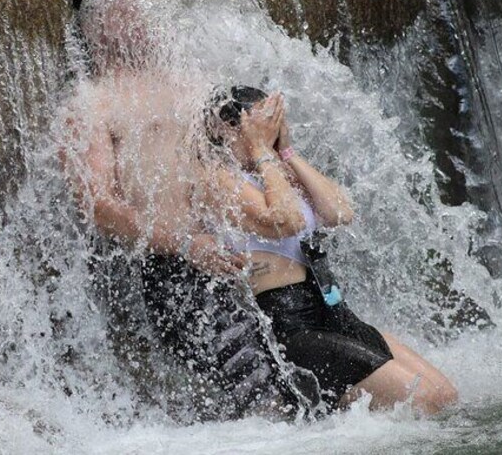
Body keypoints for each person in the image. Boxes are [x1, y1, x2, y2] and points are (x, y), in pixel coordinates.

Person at [59, 0, 321, 420]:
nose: (144, 14)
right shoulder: (91, 103)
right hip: (178, 269)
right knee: (266, 404)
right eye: (126, 8)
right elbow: (97, 204)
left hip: (253, 259)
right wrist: (185, 243)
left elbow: (243, 147)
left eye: (142, 4)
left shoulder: (191, 80)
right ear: (95, 27)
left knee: (308, 394)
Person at [194, 84, 458, 413]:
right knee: (421, 401)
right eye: (264, 122)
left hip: (333, 311)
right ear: (228, 128)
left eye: (275, 122)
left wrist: (286, 152)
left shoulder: (274, 170)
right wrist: (263, 151)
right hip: (292, 328)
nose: (271, 130)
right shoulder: (217, 178)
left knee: (445, 397)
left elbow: (340, 212)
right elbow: (284, 220)